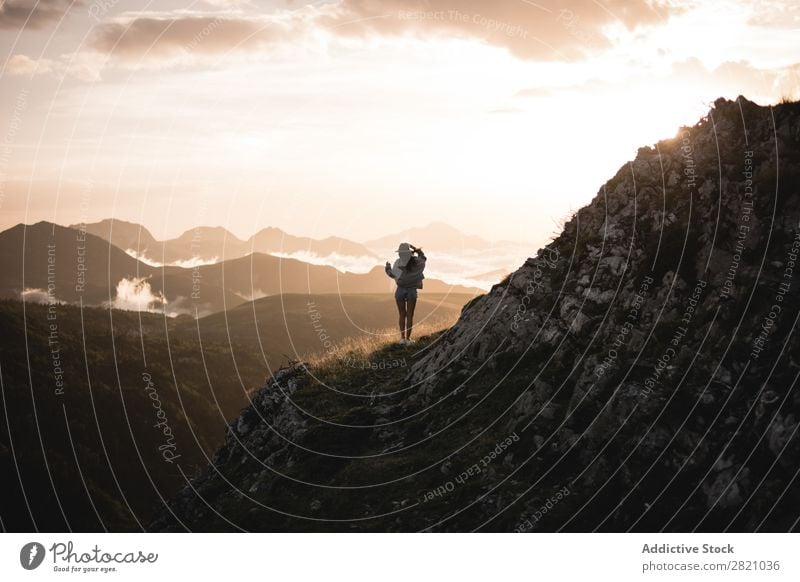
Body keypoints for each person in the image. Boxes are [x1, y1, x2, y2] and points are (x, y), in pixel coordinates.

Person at [385, 242, 426, 344]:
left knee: (402, 314)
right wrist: (415, 249)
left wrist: (388, 269)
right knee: (410, 315)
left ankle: (402, 338)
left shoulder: (398, 262)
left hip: (400, 290)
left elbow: (393, 275)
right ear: (409, 252)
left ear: (400, 253)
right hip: (412, 290)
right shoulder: (416, 262)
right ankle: (408, 339)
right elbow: (424, 258)